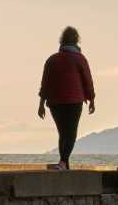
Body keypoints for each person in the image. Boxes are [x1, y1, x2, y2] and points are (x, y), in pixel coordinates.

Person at [38, 26, 96, 169]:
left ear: (62, 40)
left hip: (55, 102)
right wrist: (91, 99)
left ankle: (64, 164)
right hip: (74, 101)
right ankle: (63, 162)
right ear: (76, 40)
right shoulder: (80, 59)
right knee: (70, 133)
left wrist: (41, 104)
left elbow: (45, 83)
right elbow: (87, 80)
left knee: (63, 133)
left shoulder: (52, 60)